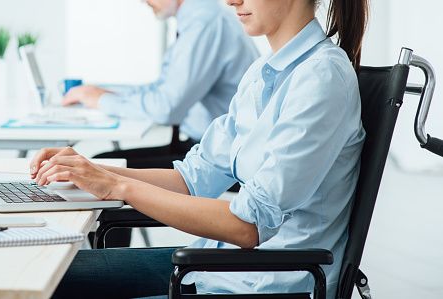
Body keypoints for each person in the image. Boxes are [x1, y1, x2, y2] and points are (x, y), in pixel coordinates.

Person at [31, 0, 368, 297]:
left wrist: (118, 186)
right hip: (220, 268)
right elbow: (192, 179)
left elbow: (247, 227)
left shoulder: (321, 78)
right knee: (51, 273)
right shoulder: (264, 72)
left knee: (54, 281)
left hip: (266, 282)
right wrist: (92, 170)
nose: (231, 1)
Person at [62, 0, 259, 169]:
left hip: (222, 155)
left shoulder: (205, 23)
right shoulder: (199, 18)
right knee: (102, 164)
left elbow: (166, 108)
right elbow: (164, 88)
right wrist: (105, 94)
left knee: (101, 165)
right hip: (208, 146)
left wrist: (103, 100)